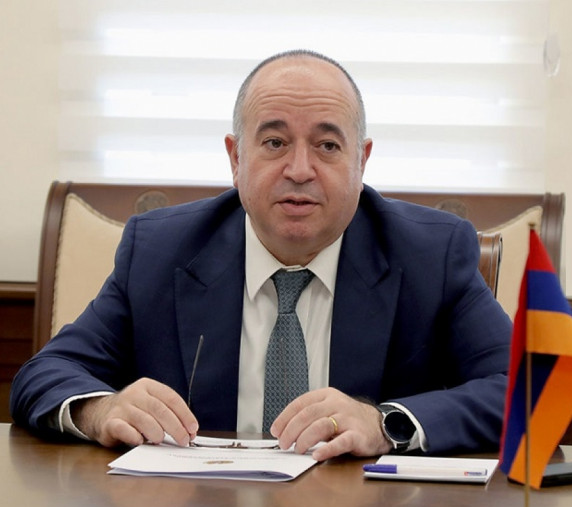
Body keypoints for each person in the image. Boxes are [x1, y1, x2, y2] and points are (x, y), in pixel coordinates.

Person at [10, 49, 512, 461]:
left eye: (327, 146)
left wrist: (385, 424)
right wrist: (101, 410)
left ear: (362, 161)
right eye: (274, 142)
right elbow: (45, 373)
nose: (300, 169)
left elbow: (529, 387)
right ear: (236, 158)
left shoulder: (431, 254)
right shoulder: (161, 252)